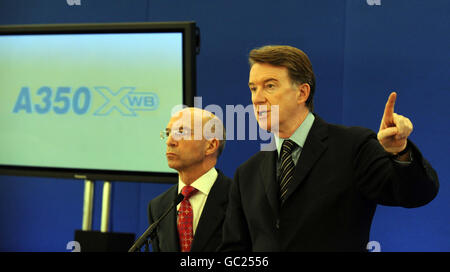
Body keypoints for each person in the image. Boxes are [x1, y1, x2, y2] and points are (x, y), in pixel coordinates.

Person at [220, 45, 439, 251]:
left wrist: (399, 151)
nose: (257, 98)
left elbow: (416, 194)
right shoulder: (246, 174)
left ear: (302, 93)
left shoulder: (353, 146)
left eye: (270, 86)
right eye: (253, 88)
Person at [148, 107, 231, 252]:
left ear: (211, 145)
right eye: (168, 133)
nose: (169, 142)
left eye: (181, 132)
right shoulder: (159, 206)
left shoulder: (240, 198)